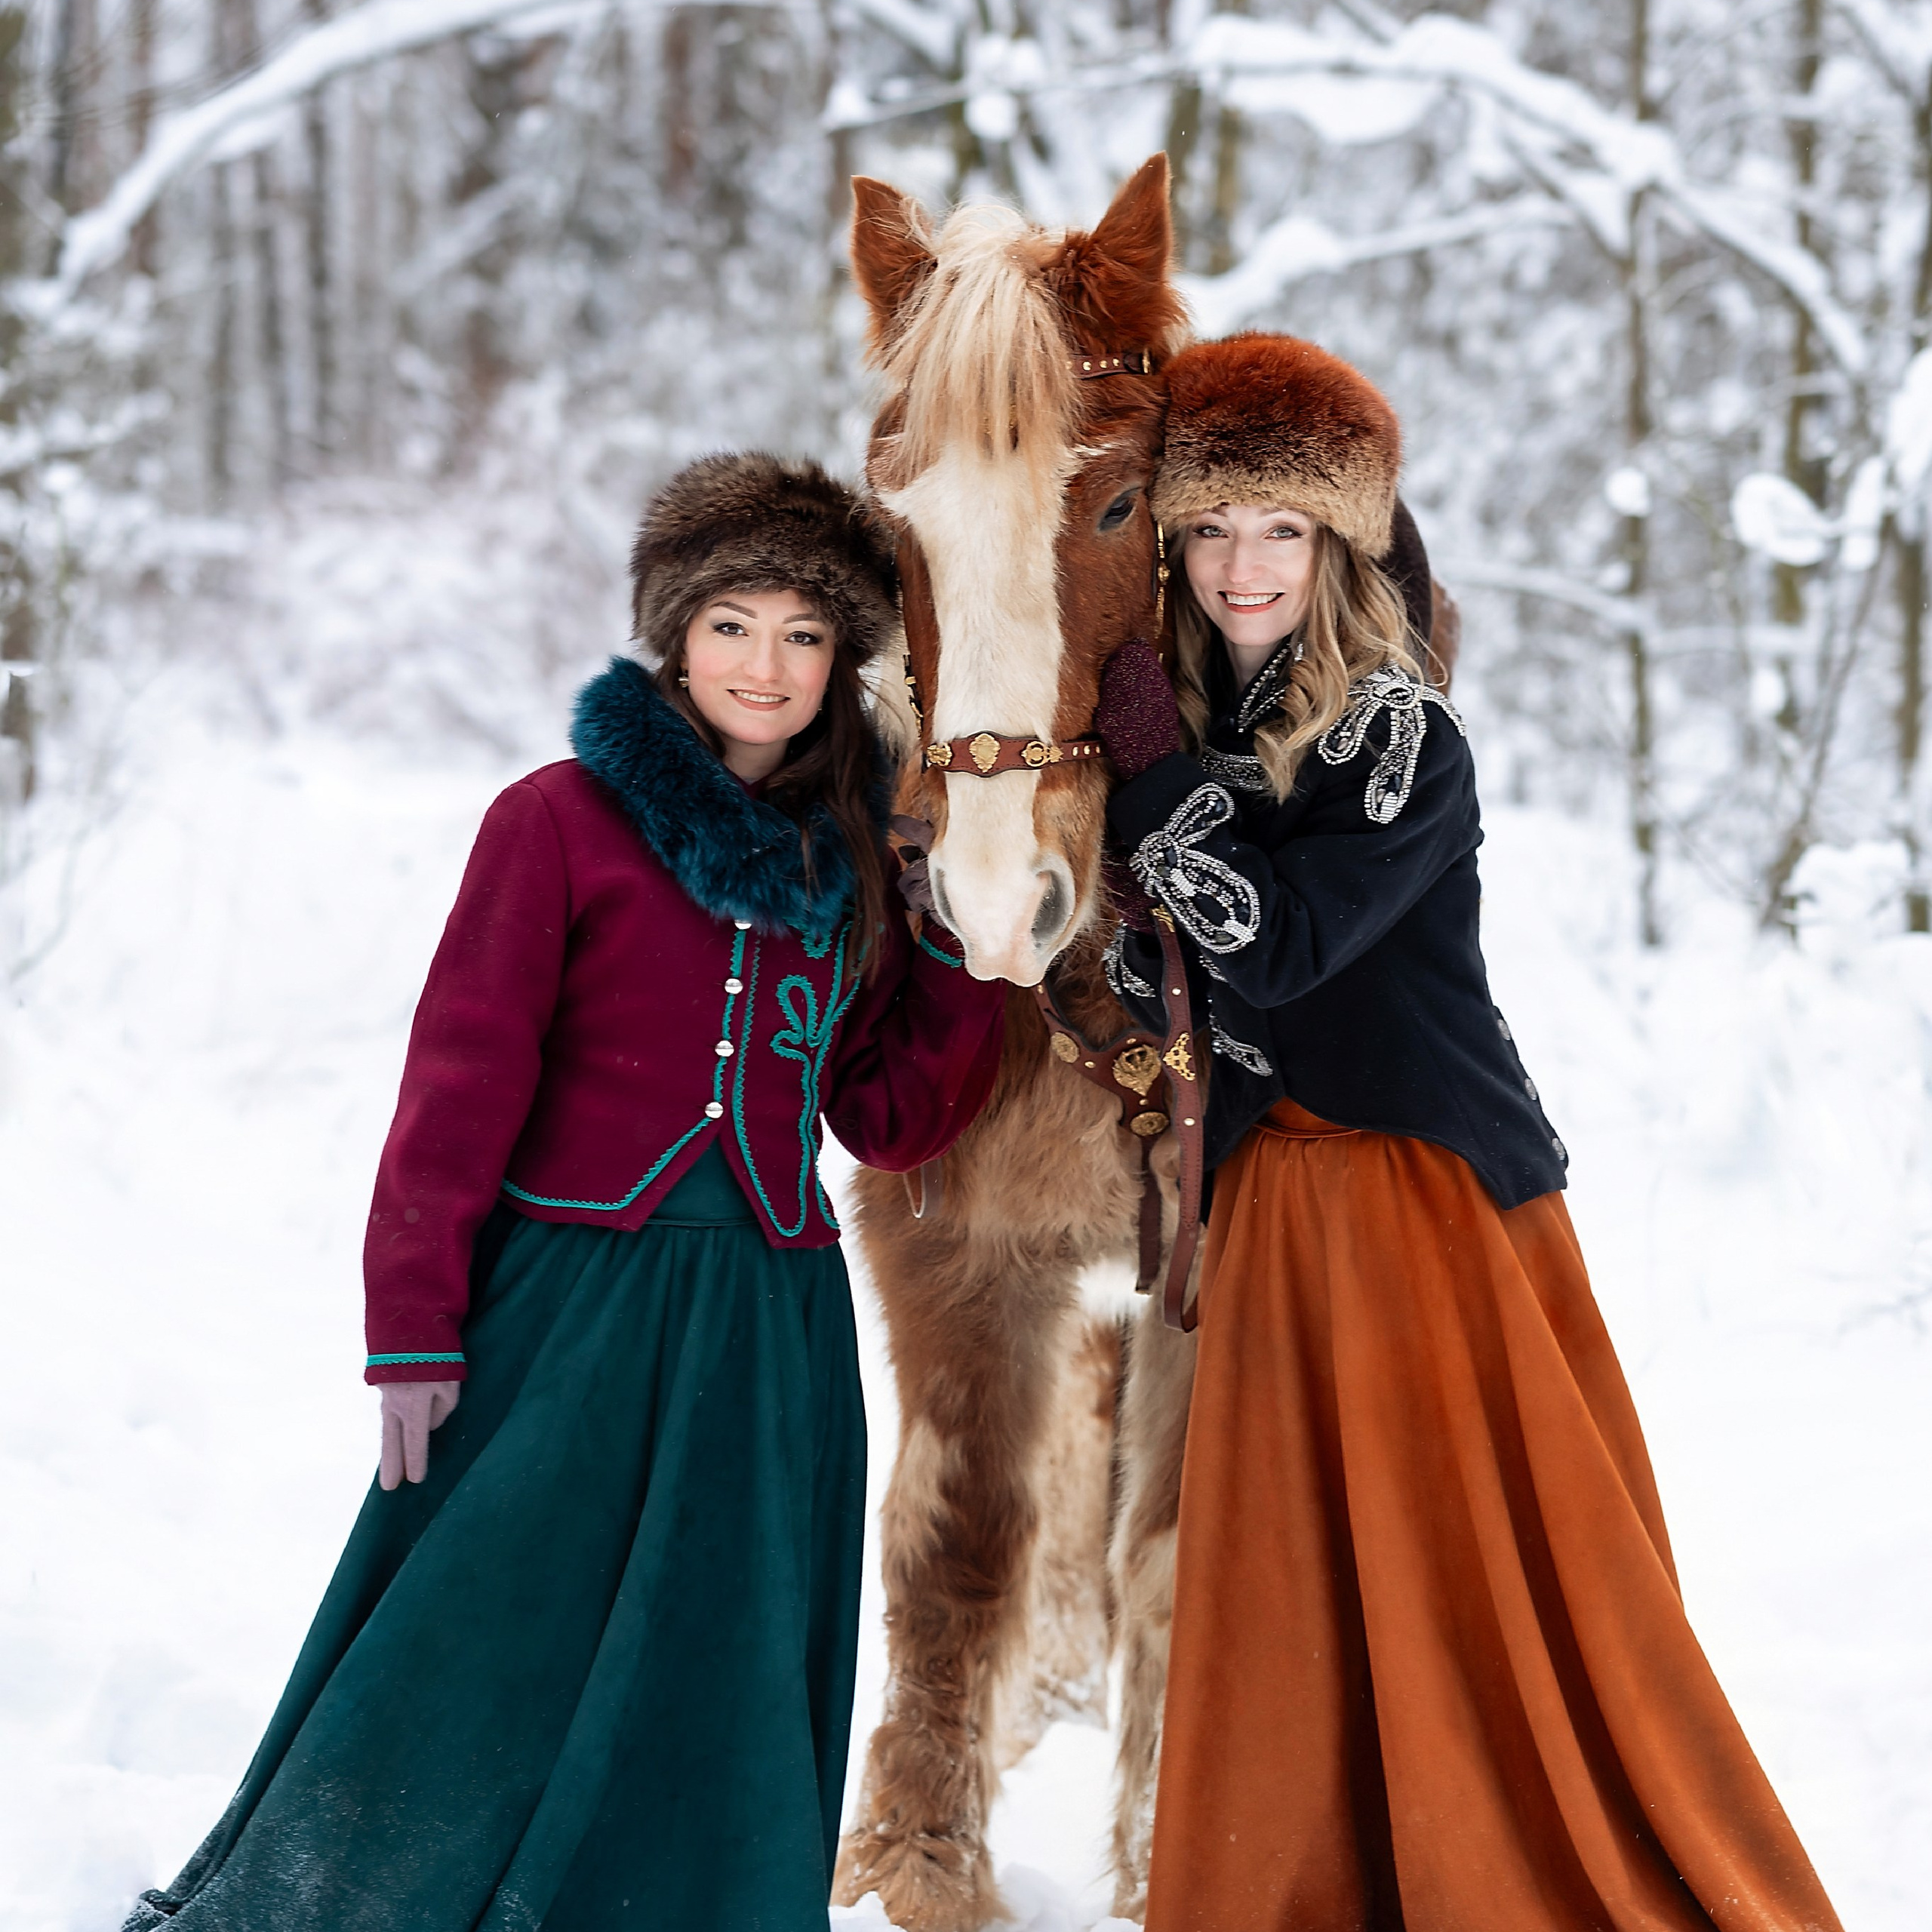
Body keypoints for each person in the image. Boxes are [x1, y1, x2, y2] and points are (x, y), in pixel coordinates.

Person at [122, 453, 1006, 1932]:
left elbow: (886, 1114)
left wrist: (966, 950)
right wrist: (412, 1325)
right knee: (484, 1631)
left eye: (802, 634)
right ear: (674, 636)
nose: (765, 664)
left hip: (769, 1329)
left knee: (718, 1652)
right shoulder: (554, 822)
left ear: (840, 658)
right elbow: (455, 1085)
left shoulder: (855, 855)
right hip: (567, 1311)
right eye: (732, 624)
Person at [1092, 334, 1842, 1932]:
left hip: (1421, 1204)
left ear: (1339, 546)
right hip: (1278, 1206)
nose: (1242, 564)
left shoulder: (1400, 738)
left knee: (1474, 1583)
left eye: (1280, 530)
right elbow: (1164, 971)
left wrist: (1149, 788)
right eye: (1211, 528)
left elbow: (1278, 945)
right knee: (1301, 1589)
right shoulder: (1178, 743)